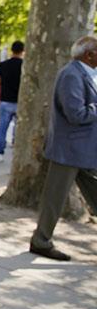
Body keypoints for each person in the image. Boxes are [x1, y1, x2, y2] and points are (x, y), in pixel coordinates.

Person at [29, 35, 97, 261]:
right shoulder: (71, 75)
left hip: (84, 151)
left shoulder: (86, 73)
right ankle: (40, 242)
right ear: (89, 55)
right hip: (68, 151)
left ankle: (41, 240)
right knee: (54, 200)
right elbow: (76, 114)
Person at [0, 40, 25, 162]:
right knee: (18, 128)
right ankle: (16, 148)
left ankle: (0, 152)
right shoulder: (25, 65)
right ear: (23, 51)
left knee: (3, 127)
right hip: (19, 100)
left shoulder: (3, 65)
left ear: (12, 50)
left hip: (5, 99)